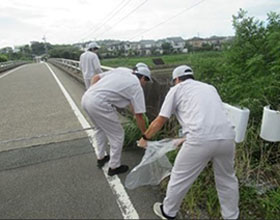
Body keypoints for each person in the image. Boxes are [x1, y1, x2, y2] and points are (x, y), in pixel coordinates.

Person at [138, 65, 239, 219]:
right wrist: (184, 138)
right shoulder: (209, 88)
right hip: (227, 137)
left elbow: (160, 120)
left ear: (176, 79)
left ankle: (168, 212)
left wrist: (145, 138)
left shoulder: (177, 89)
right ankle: (231, 216)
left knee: (180, 177)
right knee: (227, 179)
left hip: (199, 139)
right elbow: (207, 119)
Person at [81, 65, 152, 176]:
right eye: (146, 81)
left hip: (87, 97)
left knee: (100, 129)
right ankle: (114, 167)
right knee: (117, 135)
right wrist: (145, 135)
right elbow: (139, 116)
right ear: (143, 78)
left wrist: (94, 94)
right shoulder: (136, 86)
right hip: (100, 103)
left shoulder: (122, 70)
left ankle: (101, 157)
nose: (145, 84)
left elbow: (95, 77)